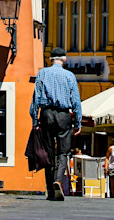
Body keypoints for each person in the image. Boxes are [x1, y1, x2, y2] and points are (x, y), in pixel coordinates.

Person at [30, 47, 82, 202]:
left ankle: (50, 191)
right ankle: (58, 180)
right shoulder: (69, 76)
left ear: (51, 59)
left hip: (46, 114)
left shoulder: (42, 73)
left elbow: (36, 98)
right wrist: (77, 122)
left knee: (48, 153)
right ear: (64, 59)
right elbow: (76, 101)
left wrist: (35, 120)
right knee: (64, 152)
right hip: (63, 115)